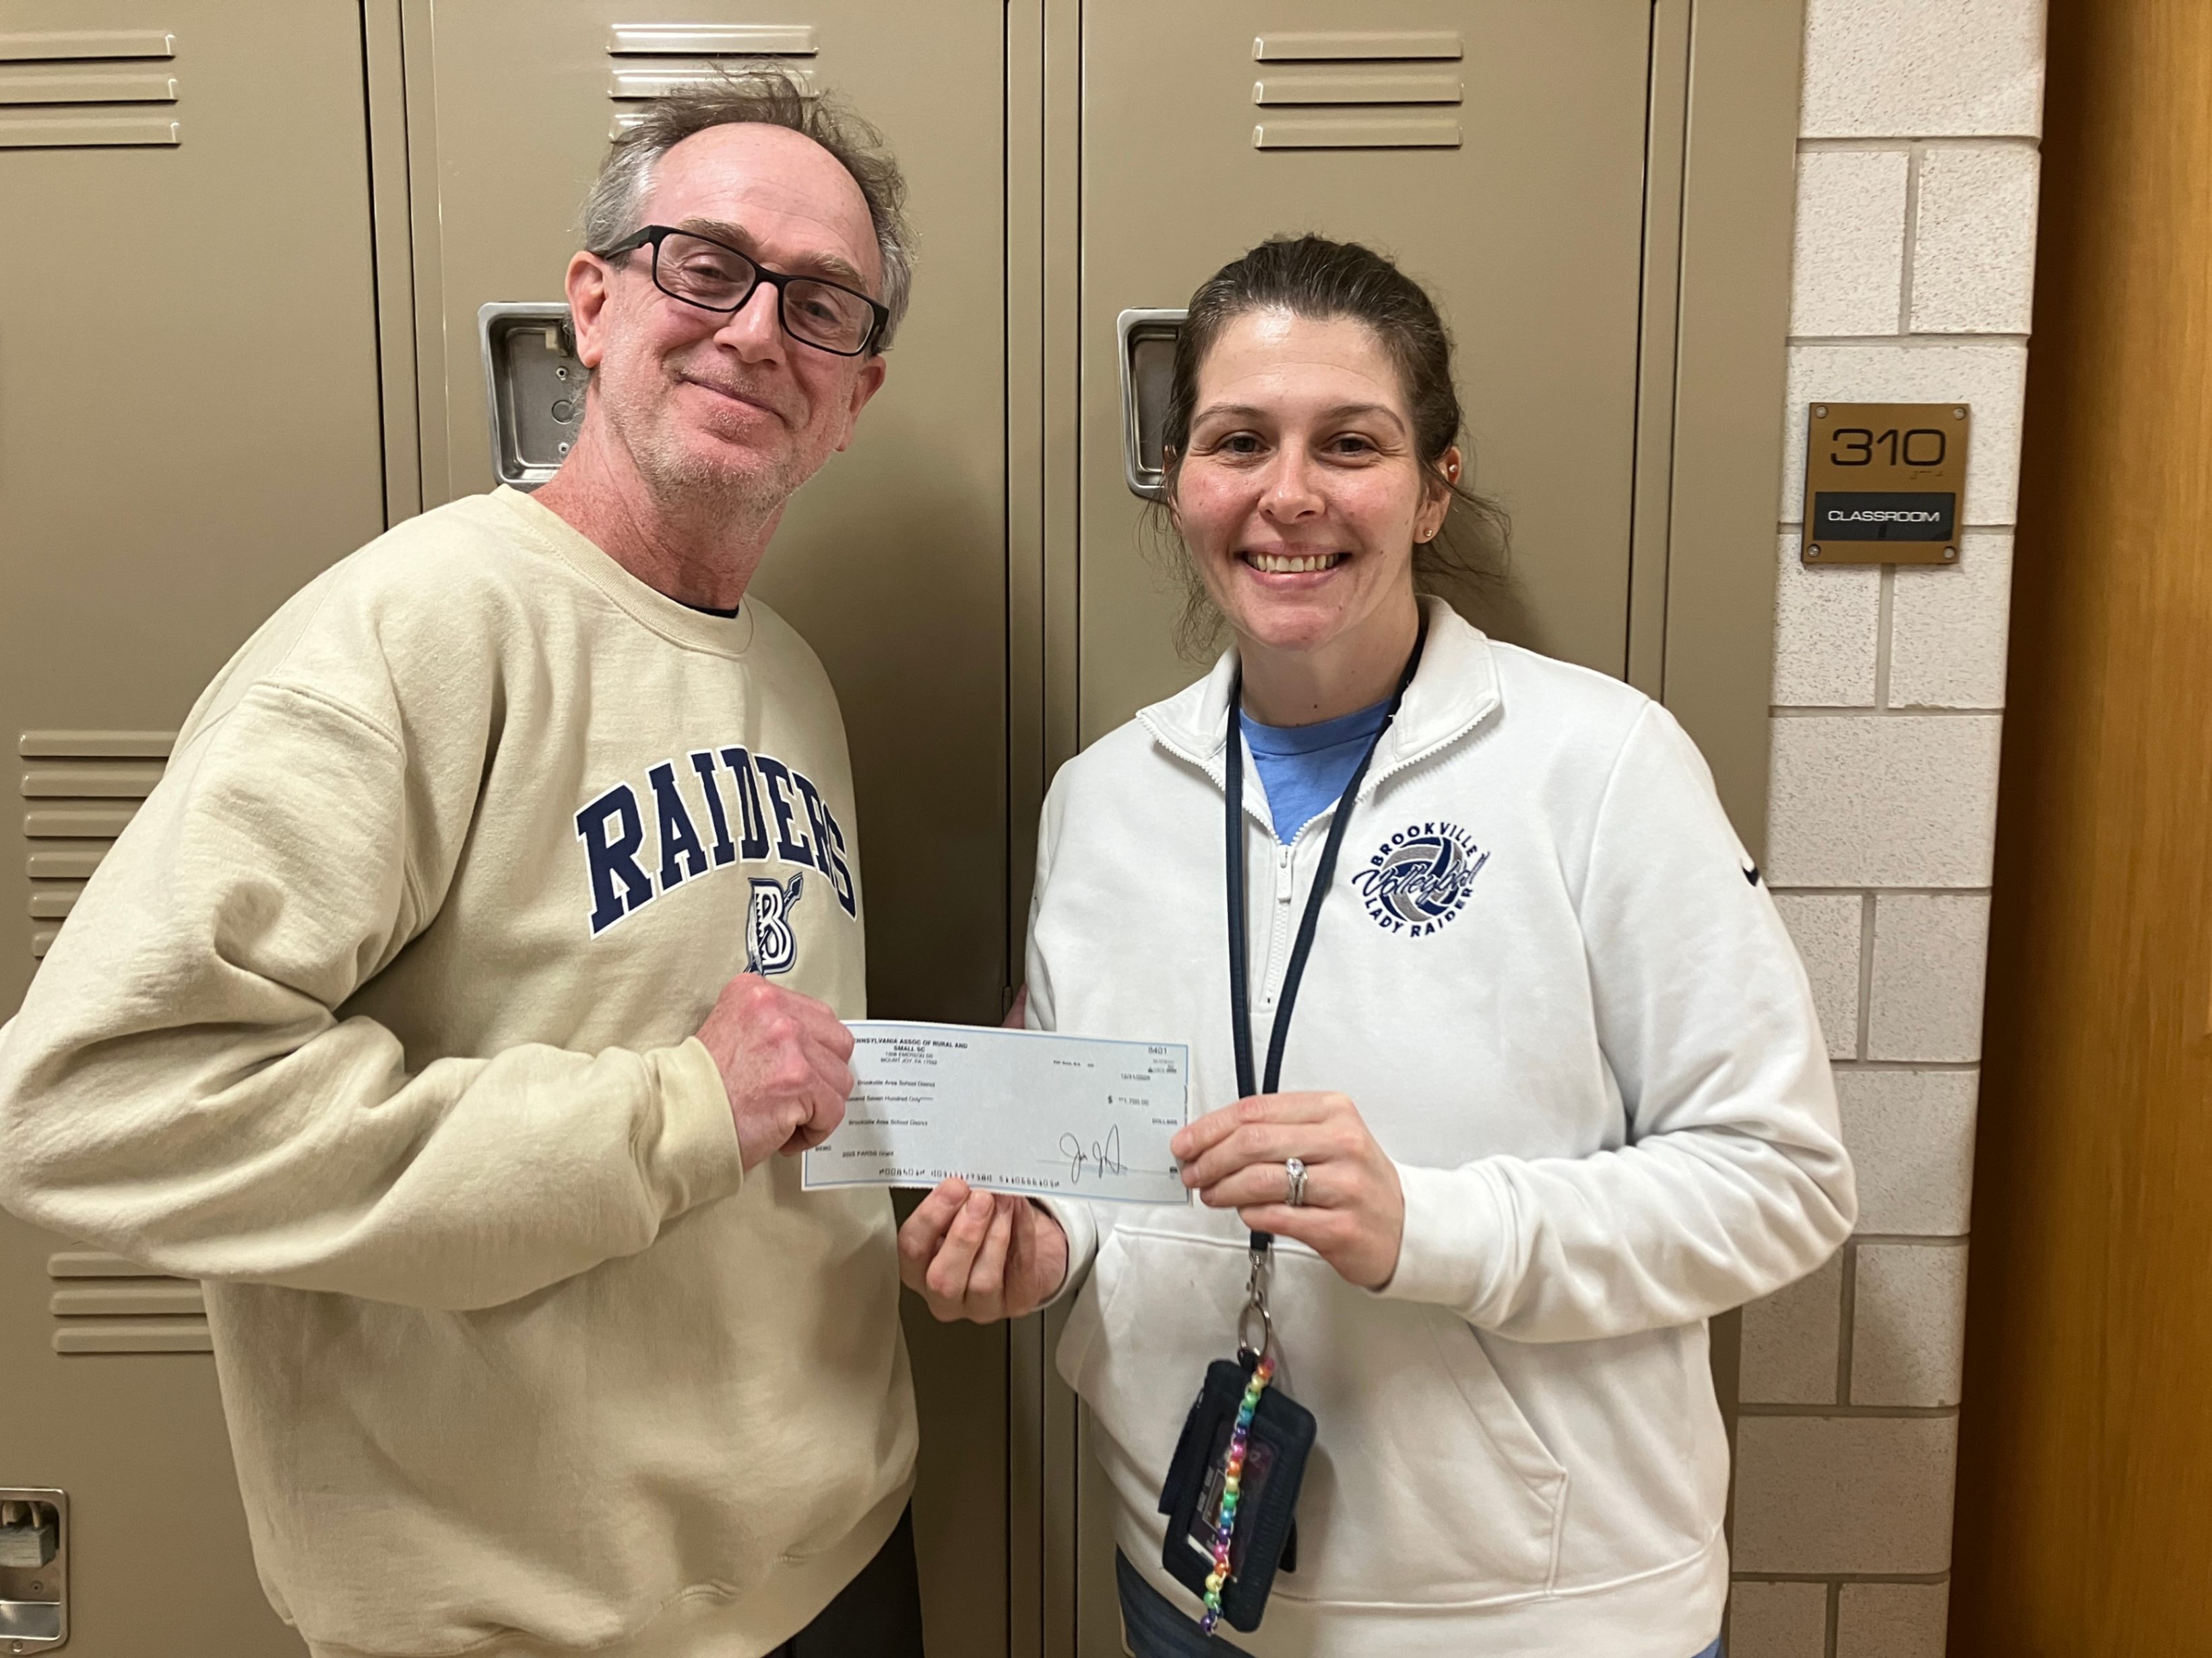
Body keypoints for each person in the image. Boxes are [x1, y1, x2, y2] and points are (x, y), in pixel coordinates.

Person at [0, 75, 928, 1658]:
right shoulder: (413, 631)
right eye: (705, 265)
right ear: (593, 303)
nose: (759, 329)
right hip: (536, 1624)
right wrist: (673, 1111)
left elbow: (772, 1095)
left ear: (857, 392)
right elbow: (88, 1105)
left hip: (837, 1557)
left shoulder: (792, 676)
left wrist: (924, 1165)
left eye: (821, 304)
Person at [899, 235, 1857, 1657]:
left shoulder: (1598, 765)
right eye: (1238, 441)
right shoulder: (1100, 798)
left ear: (1431, 488)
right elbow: (1098, 1142)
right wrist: (1046, 1243)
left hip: (1535, 1616)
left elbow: (1781, 1181)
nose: (1289, 493)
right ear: (1179, 480)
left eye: (1350, 442)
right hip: (1193, 1587)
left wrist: (1430, 1227)